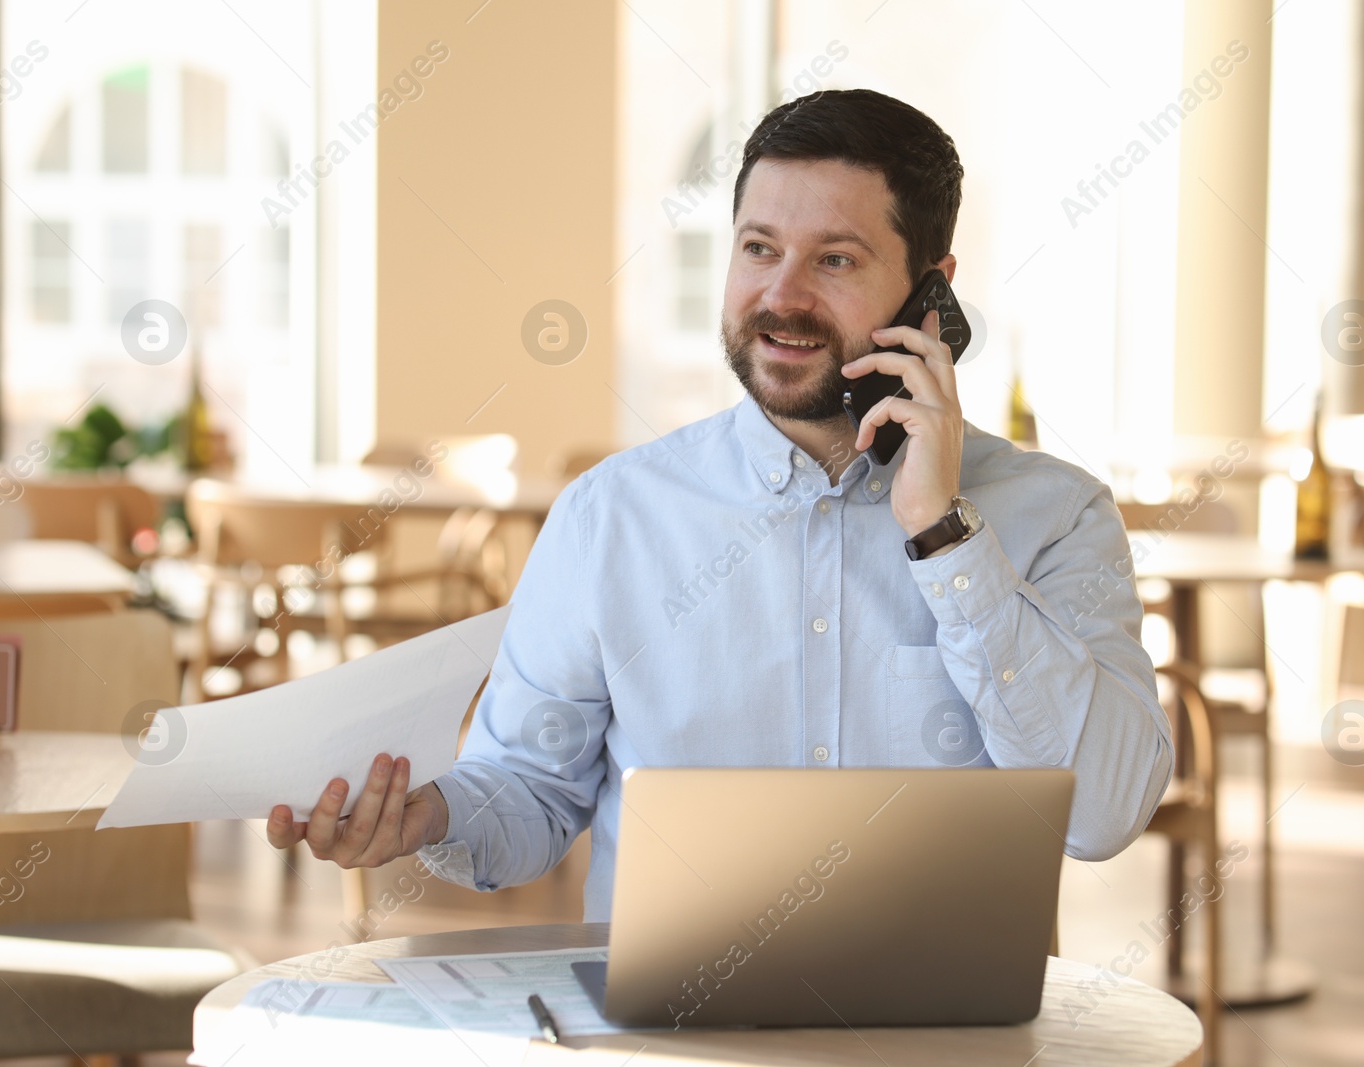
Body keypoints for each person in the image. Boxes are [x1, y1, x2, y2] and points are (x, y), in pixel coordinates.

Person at [268, 89, 1173, 920]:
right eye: (758, 249)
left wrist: (945, 536)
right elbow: (532, 790)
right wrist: (428, 815)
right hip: (674, 1041)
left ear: (932, 292)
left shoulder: (1057, 516)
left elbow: (1101, 813)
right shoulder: (609, 517)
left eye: (836, 259)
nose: (781, 297)